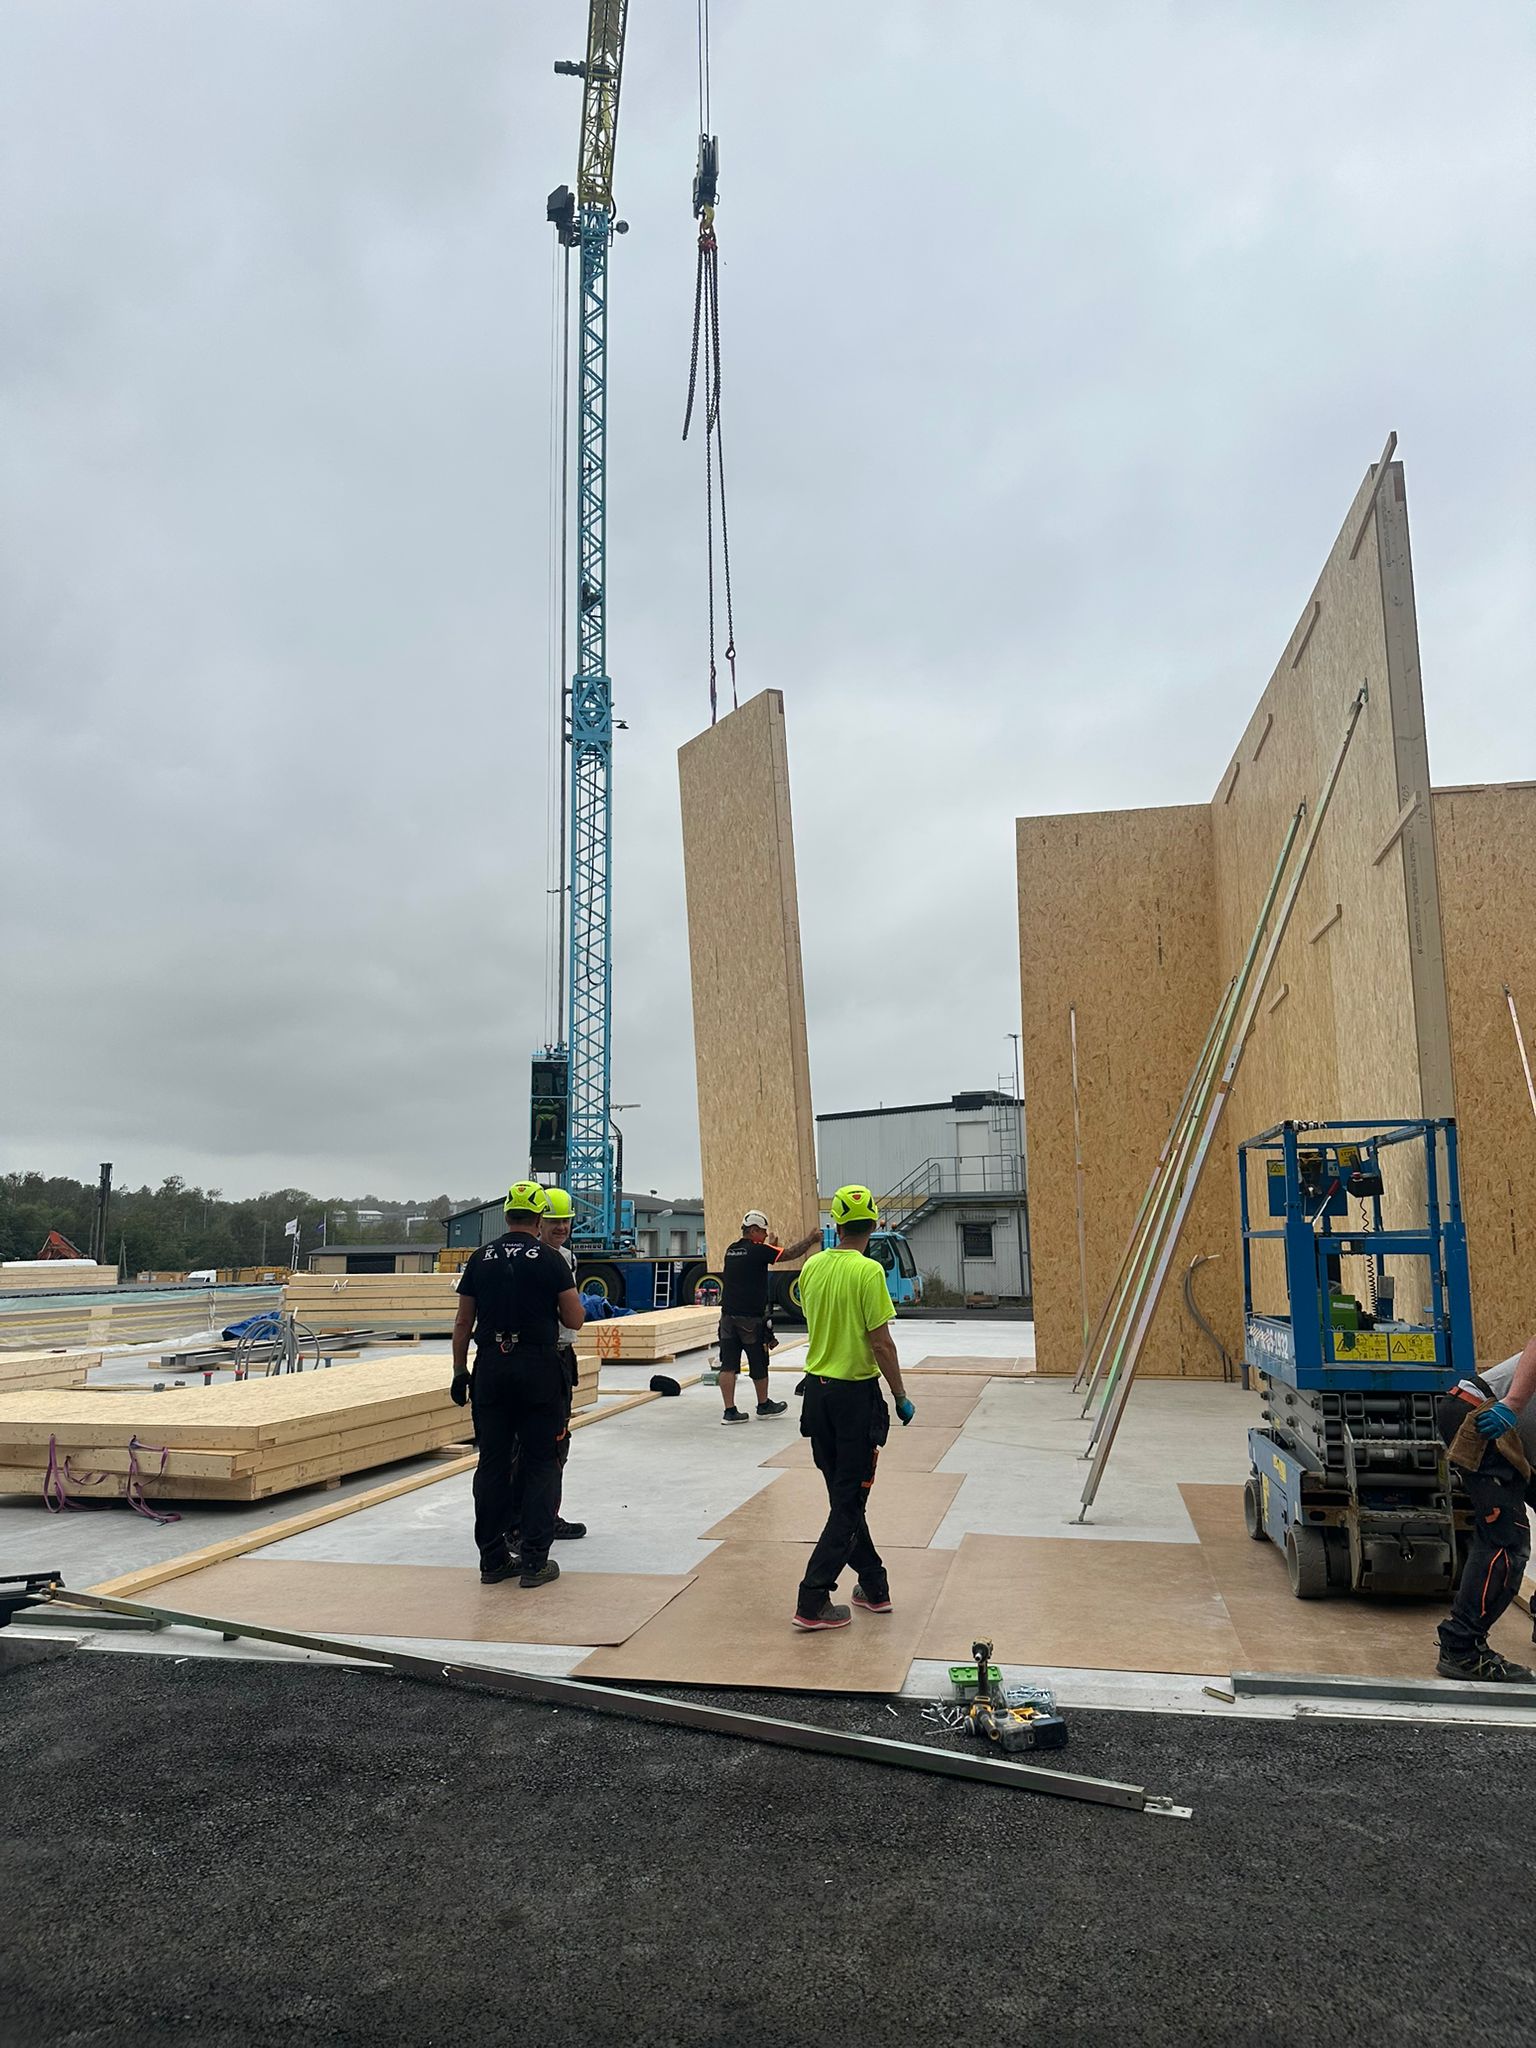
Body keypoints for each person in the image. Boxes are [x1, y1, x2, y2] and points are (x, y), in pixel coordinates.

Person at [790, 1184, 914, 1632]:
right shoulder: (869, 1272)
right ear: (875, 1224)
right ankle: (813, 1598)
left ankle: (874, 1588)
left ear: (836, 1225)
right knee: (847, 1502)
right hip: (855, 1399)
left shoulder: (813, 1268)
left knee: (845, 1498)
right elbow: (880, 1342)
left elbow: (814, 1318)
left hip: (817, 1396)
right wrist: (899, 1394)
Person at [450, 1181, 583, 1590]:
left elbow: (462, 1322)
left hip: (490, 1366)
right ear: (540, 1218)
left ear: (506, 1215)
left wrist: (459, 1371)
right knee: (542, 1461)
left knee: (491, 1463)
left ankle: (492, 1560)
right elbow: (575, 1319)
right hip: (538, 1368)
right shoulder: (551, 1260)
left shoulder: (480, 1258)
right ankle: (534, 1561)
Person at [1435, 1330, 1536, 1682]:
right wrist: (1513, 1404)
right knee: (1507, 1540)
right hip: (1483, 1416)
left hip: (1520, 1445)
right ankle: (1461, 1649)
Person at [717, 1208, 822, 1424]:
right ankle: (763, 1405)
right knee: (758, 1362)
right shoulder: (758, 1251)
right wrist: (811, 1239)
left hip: (727, 1318)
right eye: (763, 1232)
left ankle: (730, 1411)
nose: (765, 1235)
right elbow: (790, 1254)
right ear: (753, 1230)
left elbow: (760, 1256)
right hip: (750, 1320)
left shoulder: (731, 1250)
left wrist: (769, 1245)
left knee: (728, 1365)